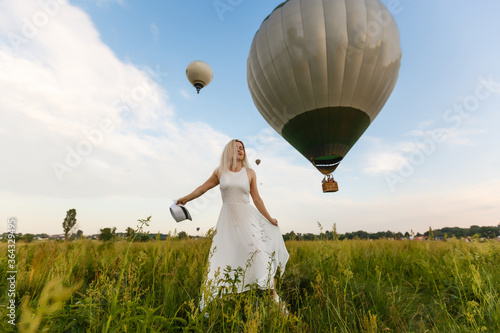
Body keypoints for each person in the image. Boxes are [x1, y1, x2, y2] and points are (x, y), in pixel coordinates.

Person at [176, 139, 289, 313]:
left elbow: (257, 199)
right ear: (229, 151)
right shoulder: (220, 172)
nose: (240, 150)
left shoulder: (250, 173)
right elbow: (203, 188)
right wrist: (186, 198)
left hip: (248, 220)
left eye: (242, 148)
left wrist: (269, 218)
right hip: (228, 221)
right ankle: (222, 306)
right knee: (224, 258)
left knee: (261, 257)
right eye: (237, 148)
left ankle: (276, 302)